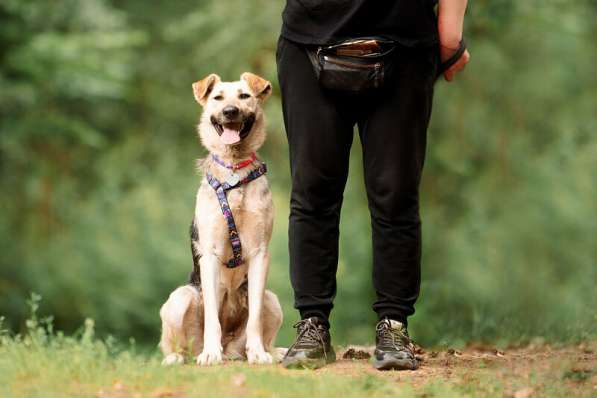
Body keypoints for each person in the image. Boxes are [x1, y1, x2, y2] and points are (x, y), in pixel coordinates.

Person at [276, 0, 470, 370]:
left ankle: (394, 327)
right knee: (313, 189)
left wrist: (451, 32)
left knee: (395, 192)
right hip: (308, 44)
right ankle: (312, 326)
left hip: (405, 45)